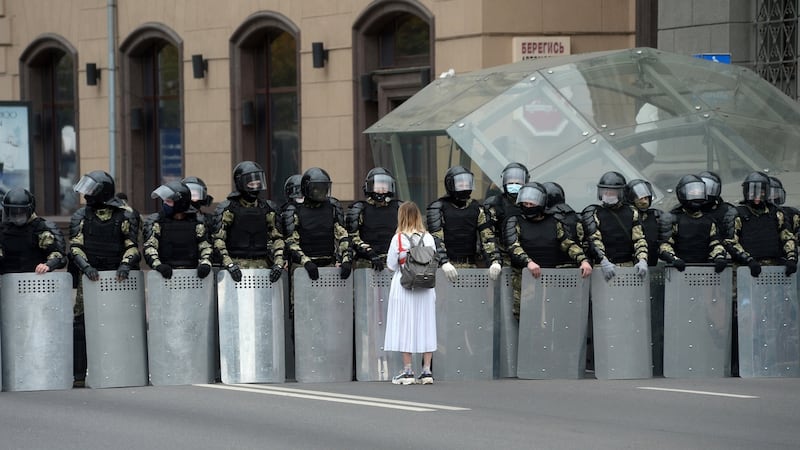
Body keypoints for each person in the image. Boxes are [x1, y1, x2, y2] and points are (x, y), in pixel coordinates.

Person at [69, 170, 141, 386]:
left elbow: (132, 246)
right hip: (90, 279)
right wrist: (86, 266)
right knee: (81, 324)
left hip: (117, 278)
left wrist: (126, 264)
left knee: (120, 322)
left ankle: (125, 369)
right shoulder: (81, 216)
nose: (86, 195)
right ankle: (79, 375)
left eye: (91, 190)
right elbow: (75, 247)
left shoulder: (125, 215)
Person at [504, 182, 592, 319]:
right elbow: (513, 245)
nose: (527, 207)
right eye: (525, 203)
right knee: (525, 317)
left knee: (552, 315)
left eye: (531, 204)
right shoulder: (514, 221)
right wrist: (528, 262)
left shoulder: (555, 221)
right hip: (525, 279)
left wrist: (583, 260)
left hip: (550, 278)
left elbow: (567, 243)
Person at [384, 201, 438, 385]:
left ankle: (407, 372)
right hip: (426, 287)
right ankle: (426, 371)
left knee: (404, 326)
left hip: (404, 287)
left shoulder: (398, 238)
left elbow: (391, 266)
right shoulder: (429, 238)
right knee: (426, 325)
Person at [210, 161, 285, 283]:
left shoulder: (268, 208)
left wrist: (278, 264)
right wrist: (229, 265)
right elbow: (218, 240)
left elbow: (278, 238)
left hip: (263, 267)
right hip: (236, 267)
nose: (255, 187)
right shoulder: (228, 208)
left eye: (258, 182)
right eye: (251, 183)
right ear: (241, 183)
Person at [427, 165, 502, 282]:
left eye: (467, 184)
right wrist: (444, 262)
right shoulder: (438, 208)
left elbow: (487, 237)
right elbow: (435, 238)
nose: (464, 187)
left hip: (471, 266)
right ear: (450, 185)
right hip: (446, 269)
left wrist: (495, 261)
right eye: (460, 184)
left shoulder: (477, 208)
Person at [283, 167, 352, 280]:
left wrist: (346, 260)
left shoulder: (332, 208)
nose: (321, 192)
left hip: (328, 265)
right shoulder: (296, 211)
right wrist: (306, 262)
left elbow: (342, 236)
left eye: (324, 188)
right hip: (303, 267)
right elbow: (291, 242)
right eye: (317, 189)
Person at [582, 171, 649, 280]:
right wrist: (603, 260)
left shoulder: (632, 212)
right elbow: (594, 239)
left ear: (620, 193)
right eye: (605, 192)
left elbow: (639, 239)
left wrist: (642, 260)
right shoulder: (594, 213)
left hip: (628, 266)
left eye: (611, 192)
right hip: (603, 268)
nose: (607, 195)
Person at [658, 174, 732, 271]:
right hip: (678, 269)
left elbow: (715, 242)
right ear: (682, 193)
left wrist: (719, 257)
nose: (696, 195)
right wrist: (673, 259)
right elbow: (665, 244)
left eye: (699, 192)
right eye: (692, 192)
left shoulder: (709, 220)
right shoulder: (673, 218)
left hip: (705, 269)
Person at [142, 181, 213, 280]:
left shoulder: (197, 222)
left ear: (181, 203)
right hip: (165, 276)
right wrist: (158, 266)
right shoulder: (157, 222)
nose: (165, 204)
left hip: (193, 276)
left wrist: (205, 264)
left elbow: (205, 246)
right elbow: (150, 246)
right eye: (165, 201)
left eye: (169, 201)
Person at [735, 172, 797, 276]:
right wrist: (748, 260)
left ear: (767, 192)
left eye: (761, 192)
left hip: (774, 267)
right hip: (745, 268)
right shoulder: (737, 213)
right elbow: (731, 241)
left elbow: (787, 237)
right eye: (752, 192)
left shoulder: (776, 214)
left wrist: (791, 258)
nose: (757, 196)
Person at [0, 188, 67, 274]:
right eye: (13, 213)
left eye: (21, 213)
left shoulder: (40, 229)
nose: (17, 217)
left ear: (29, 210)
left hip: (34, 282)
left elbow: (59, 255)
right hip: (7, 282)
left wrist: (48, 265)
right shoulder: (3, 229)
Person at [346, 167, 400, 272]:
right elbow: (352, 237)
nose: (381, 190)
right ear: (370, 187)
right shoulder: (360, 209)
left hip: (394, 262)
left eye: (384, 186)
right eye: (378, 186)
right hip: (367, 264)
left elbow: (408, 233)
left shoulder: (399, 208)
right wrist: (369, 252)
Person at [484, 162, 528, 265]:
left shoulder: (530, 203)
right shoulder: (494, 203)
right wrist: (494, 260)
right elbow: (487, 234)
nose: (514, 185)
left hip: (527, 257)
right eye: (510, 182)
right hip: (502, 258)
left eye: (518, 182)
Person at [625, 179, 670, 267]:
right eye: (640, 198)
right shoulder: (626, 216)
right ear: (631, 198)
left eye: (646, 198)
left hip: (652, 265)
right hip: (629, 267)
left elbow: (666, 241)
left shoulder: (657, 215)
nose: (644, 201)